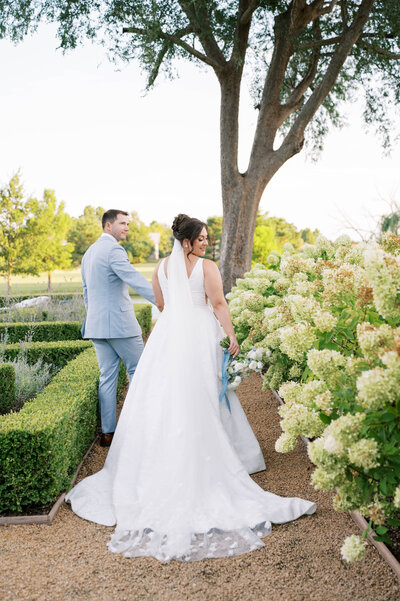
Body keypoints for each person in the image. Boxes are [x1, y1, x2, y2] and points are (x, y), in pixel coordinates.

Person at [66, 214, 316, 562]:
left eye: (206, 238)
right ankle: (221, 456)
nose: (205, 243)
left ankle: (167, 455)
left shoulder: (162, 268)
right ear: (186, 241)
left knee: (164, 398)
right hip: (199, 336)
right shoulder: (207, 268)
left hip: (168, 338)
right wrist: (230, 334)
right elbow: (218, 305)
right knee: (203, 395)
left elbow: (162, 304)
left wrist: (178, 320)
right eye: (201, 238)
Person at [80, 209, 155, 447]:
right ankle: (139, 429)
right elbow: (134, 279)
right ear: (108, 225)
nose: (126, 227)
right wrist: (165, 301)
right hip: (120, 326)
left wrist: (93, 317)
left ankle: (108, 434)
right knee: (139, 372)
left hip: (96, 326)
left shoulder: (89, 252)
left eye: (128, 223)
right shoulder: (113, 250)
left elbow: (86, 292)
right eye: (122, 223)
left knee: (107, 378)